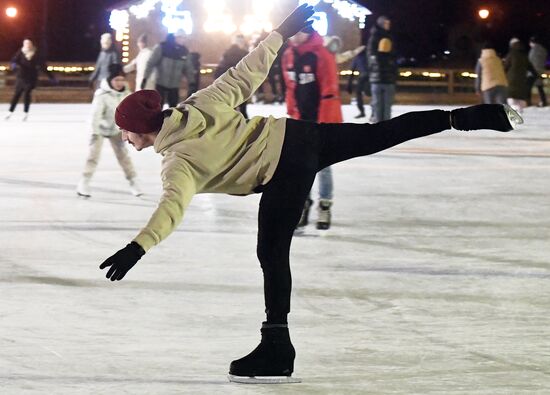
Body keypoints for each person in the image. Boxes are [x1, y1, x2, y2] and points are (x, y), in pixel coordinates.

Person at [98, 4, 522, 384]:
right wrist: (279, 34)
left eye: (125, 130)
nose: (124, 136)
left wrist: (139, 247)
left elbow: (171, 208)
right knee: (379, 134)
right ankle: (461, 118)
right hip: (299, 136)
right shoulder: (199, 103)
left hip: (282, 170)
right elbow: (247, 71)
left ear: (141, 129)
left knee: (271, 252)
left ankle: (277, 348)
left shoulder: (177, 162)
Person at [282, 25, 342, 230]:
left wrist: (325, 123)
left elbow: (330, 88)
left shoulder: (322, 54)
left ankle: (325, 205)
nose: (295, 36)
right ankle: (302, 205)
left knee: (322, 164)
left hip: (320, 118)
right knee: (299, 166)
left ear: (308, 33)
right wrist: (292, 113)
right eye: (294, 32)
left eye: (299, 32)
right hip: (300, 120)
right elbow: (290, 88)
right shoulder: (289, 55)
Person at [76, 64, 142, 198]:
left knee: (123, 156)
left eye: (121, 80)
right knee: (93, 156)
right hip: (99, 129)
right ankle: (84, 182)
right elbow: (96, 115)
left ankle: (133, 181)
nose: (119, 83)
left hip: (116, 130)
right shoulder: (102, 94)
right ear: (110, 81)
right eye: (116, 80)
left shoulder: (127, 95)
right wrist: (94, 132)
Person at [5, 39, 55, 121]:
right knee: (17, 94)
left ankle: (25, 113)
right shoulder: (21, 52)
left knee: (27, 93)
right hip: (21, 77)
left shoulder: (36, 53)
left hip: (31, 78)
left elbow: (43, 66)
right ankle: (10, 112)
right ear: (24, 44)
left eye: (29, 43)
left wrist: (51, 76)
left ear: (31, 44)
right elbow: (14, 60)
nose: (27, 45)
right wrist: (13, 64)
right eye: (26, 43)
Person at [142, 30, 195, 108]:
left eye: (184, 38)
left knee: (173, 108)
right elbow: (151, 63)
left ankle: (170, 120)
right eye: (181, 38)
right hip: (161, 83)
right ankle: (157, 120)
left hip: (175, 85)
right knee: (158, 106)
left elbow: (188, 68)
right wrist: (145, 77)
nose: (183, 40)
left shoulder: (184, 51)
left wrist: (192, 82)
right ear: (176, 37)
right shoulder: (162, 47)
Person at [367, 16, 398, 122]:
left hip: (383, 79)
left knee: (382, 105)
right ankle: (382, 128)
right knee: (379, 105)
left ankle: (383, 128)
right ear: (381, 24)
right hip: (380, 79)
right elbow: (372, 58)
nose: (388, 25)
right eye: (386, 23)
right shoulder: (375, 38)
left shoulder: (387, 37)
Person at [214, 34, 250, 118]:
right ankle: (244, 127)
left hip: (227, 83)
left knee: (230, 107)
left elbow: (220, 69)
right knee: (243, 109)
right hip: (241, 84)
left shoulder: (226, 53)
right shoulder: (245, 54)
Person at [504, 38, 537, 113]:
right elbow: (532, 69)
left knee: (511, 100)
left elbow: (505, 68)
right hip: (522, 82)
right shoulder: (524, 56)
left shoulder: (511, 54)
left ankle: (514, 112)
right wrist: (535, 77)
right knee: (520, 100)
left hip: (511, 81)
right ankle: (520, 113)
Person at [347, 48, 370, 118]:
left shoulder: (357, 58)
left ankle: (362, 112)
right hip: (371, 77)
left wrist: (349, 84)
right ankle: (374, 113)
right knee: (372, 94)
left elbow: (352, 72)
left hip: (363, 77)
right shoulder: (369, 56)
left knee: (358, 93)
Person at [527, 36, 547, 107]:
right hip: (540, 70)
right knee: (539, 87)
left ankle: (528, 102)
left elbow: (530, 60)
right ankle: (544, 101)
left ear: (532, 42)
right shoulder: (543, 50)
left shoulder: (533, 50)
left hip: (533, 72)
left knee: (528, 87)